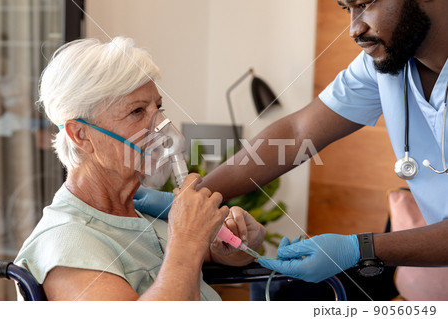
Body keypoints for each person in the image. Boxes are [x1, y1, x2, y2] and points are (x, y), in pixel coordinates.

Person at [136, 0, 448, 285]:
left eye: (365, 4)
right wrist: (198, 195)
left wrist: (359, 248)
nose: (354, 27)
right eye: (346, 8)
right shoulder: (385, 62)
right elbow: (296, 133)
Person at [14, 37, 266, 301]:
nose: (161, 126)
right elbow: (182, 259)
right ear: (81, 135)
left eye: (157, 108)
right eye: (136, 111)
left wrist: (236, 246)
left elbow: (209, 255)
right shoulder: (66, 244)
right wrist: (188, 238)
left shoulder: (139, 218)